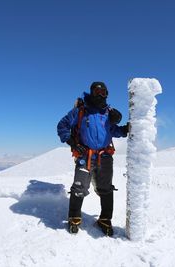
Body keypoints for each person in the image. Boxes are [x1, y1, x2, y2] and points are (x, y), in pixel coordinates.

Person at [57, 81, 129, 236]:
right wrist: (72, 142)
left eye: (104, 92)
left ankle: (105, 220)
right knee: (79, 187)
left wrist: (125, 129)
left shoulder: (107, 113)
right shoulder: (80, 111)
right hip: (85, 155)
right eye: (98, 92)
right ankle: (74, 217)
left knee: (106, 188)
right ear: (91, 92)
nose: (101, 95)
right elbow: (62, 126)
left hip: (104, 156)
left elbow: (114, 131)